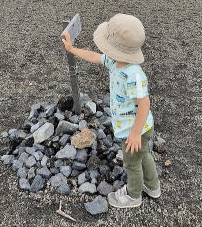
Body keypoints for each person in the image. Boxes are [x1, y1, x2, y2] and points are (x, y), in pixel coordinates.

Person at [61, 13, 161, 208]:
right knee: (144, 156)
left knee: (132, 164)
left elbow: (144, 104)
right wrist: (72, 49)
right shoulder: (115, 62)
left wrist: (134, 134)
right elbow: (95, 57)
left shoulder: (134, 75)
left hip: (136, 130)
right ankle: (153, 186)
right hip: (138, 129)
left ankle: (133, 196)